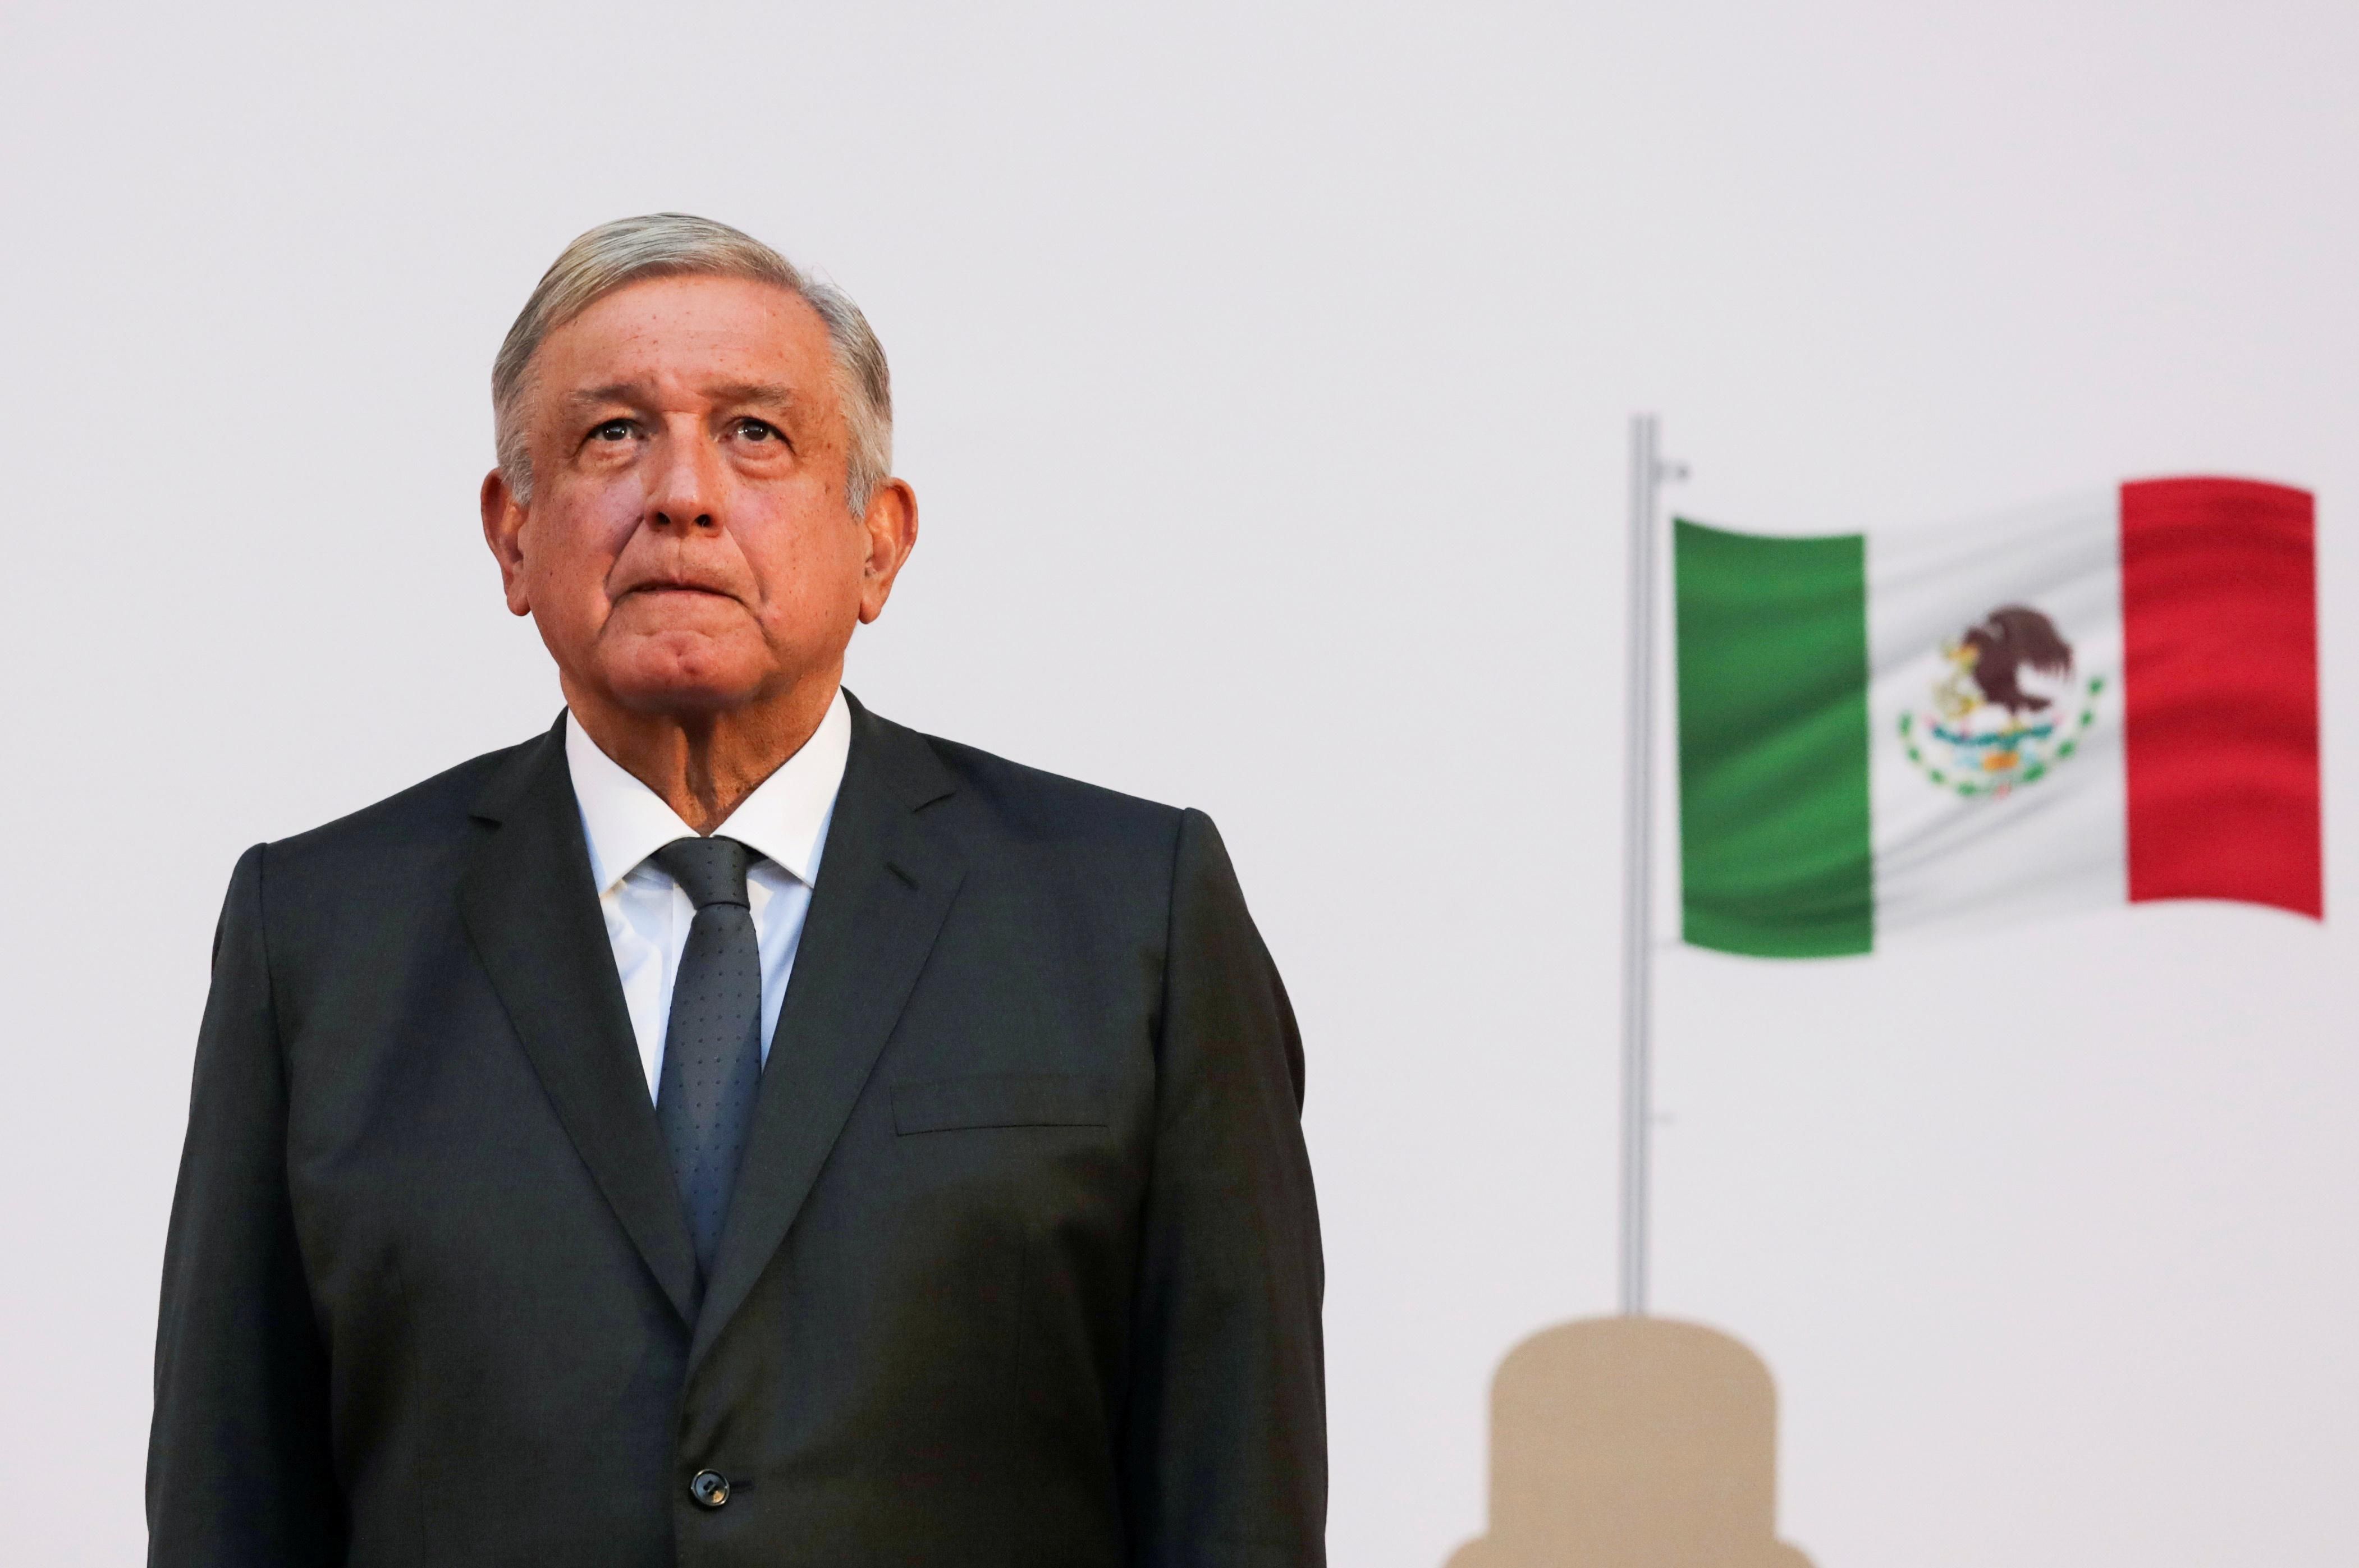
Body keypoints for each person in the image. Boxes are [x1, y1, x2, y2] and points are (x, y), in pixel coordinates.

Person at [147, 213, 1325, 1566]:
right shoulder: (318, 935)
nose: (681, 493)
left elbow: (1235, 1499)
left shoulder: (1130, 914)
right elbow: (229, 1500)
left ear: (877, 540)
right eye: (612, 436)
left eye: (756, 433)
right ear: (512, 536)